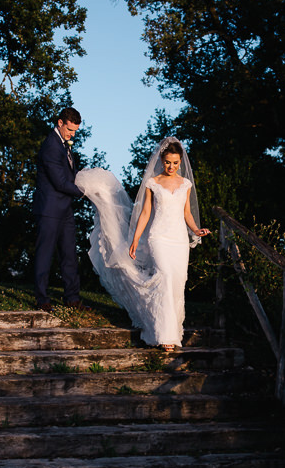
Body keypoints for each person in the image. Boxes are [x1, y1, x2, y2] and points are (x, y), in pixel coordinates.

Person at [75, 137, 209, 351]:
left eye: (175, 163)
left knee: (177, 283)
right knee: (164, 278)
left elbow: (187, 213)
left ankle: (173, 332)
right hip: (159, 238)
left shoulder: (185, 184)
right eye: (167, 162)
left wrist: (195, 230)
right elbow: (145, 213)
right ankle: (165, 336)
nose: (171, 167)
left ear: (180, 162)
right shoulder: (152, 183)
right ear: (162, 160)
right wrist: (135, 239)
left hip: (179, 240)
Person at [33, 107, 87, 312]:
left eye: (74, 131)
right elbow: (60, 182)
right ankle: (42, 299)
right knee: (45, 254)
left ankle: (72, 298)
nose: (72, 135)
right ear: (60, 122)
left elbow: (69, 175)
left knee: (70, 254)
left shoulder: (64, 145)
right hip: (48, 208)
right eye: (70, 130)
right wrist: (85, 192)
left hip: (65, 210)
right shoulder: (50, 146)